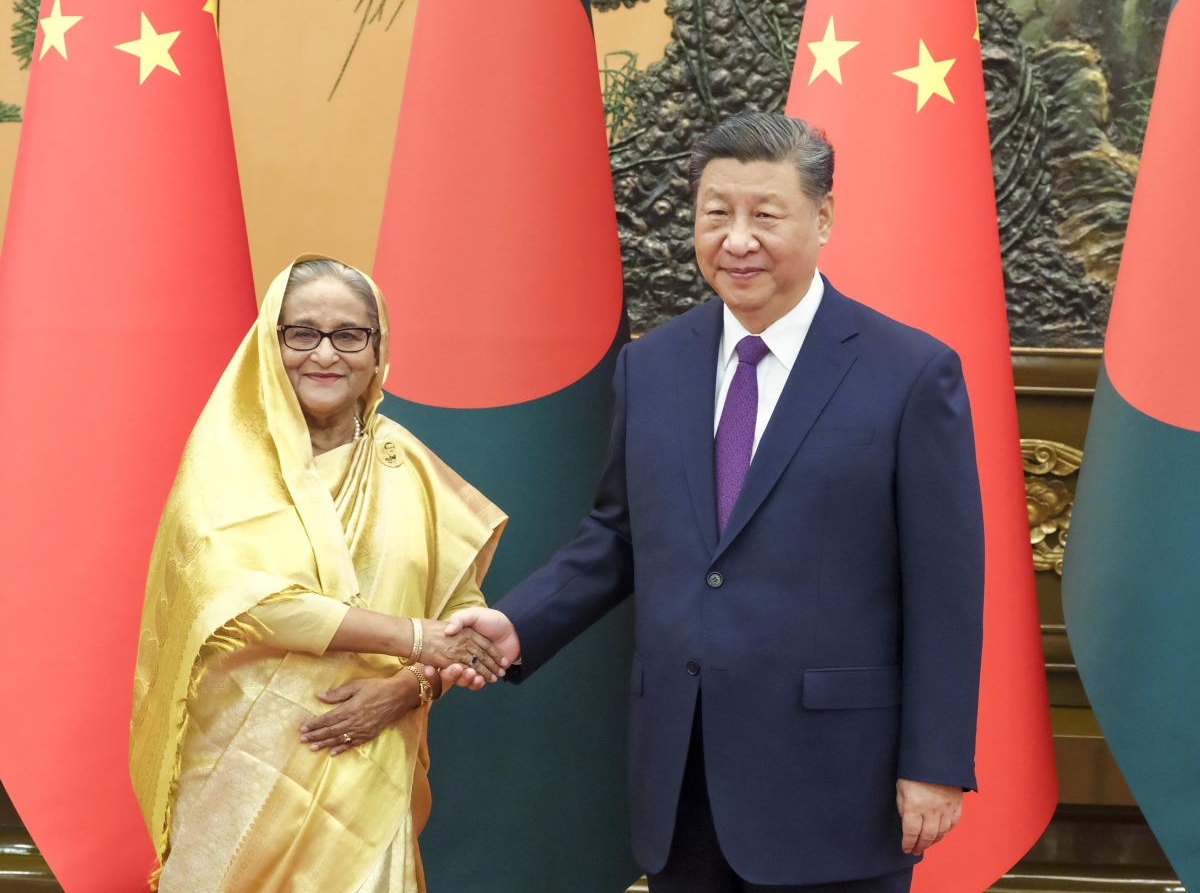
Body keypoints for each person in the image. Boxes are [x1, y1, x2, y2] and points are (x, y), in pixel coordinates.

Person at [446, 113, 986, 892]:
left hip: (836, 784)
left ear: (823, 217)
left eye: (765, 215)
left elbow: (945, 585)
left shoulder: (909, 373)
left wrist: (934, 762)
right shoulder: (653, 366)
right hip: (682, 775)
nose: (737, 240)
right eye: (715, 214)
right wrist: (517, 622)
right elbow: (619, 534)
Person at [130, 256, 509, 893]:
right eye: (302, 333)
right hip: (238, 773)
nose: (325, 354)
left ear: (377, 348)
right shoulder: (226, 460)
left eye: (350, 334)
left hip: (364, 764)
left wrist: (409, 688)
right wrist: (418, 641)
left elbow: (462, 618)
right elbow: (254, 605)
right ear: (268, 345)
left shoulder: (408, 466)